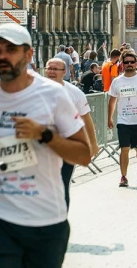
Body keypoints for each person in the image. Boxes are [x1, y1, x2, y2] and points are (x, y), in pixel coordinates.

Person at [0, 24, 92, 268]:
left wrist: (44, 135)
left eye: (11, 50)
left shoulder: (53, 95)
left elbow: (85, 154)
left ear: (28, 54)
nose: (2, 56)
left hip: (46, 220)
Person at [42, 57, 98, 208]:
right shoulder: (34, 90)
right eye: (49, 68)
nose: (51, 72)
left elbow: (86, 119)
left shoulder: (75, 93)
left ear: (64, 72)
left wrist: (92, 144)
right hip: (40, 147)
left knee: (62, 183)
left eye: (55, 69)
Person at [106, 50, 137, 187]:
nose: (129, 64)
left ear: (136, 63)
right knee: (124, 148)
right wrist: (110, 118)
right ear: (122, 63)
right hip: (123, 121)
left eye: (132, 62)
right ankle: (123, 176)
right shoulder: (117, 81)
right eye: (126, 62)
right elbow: (112, 101)